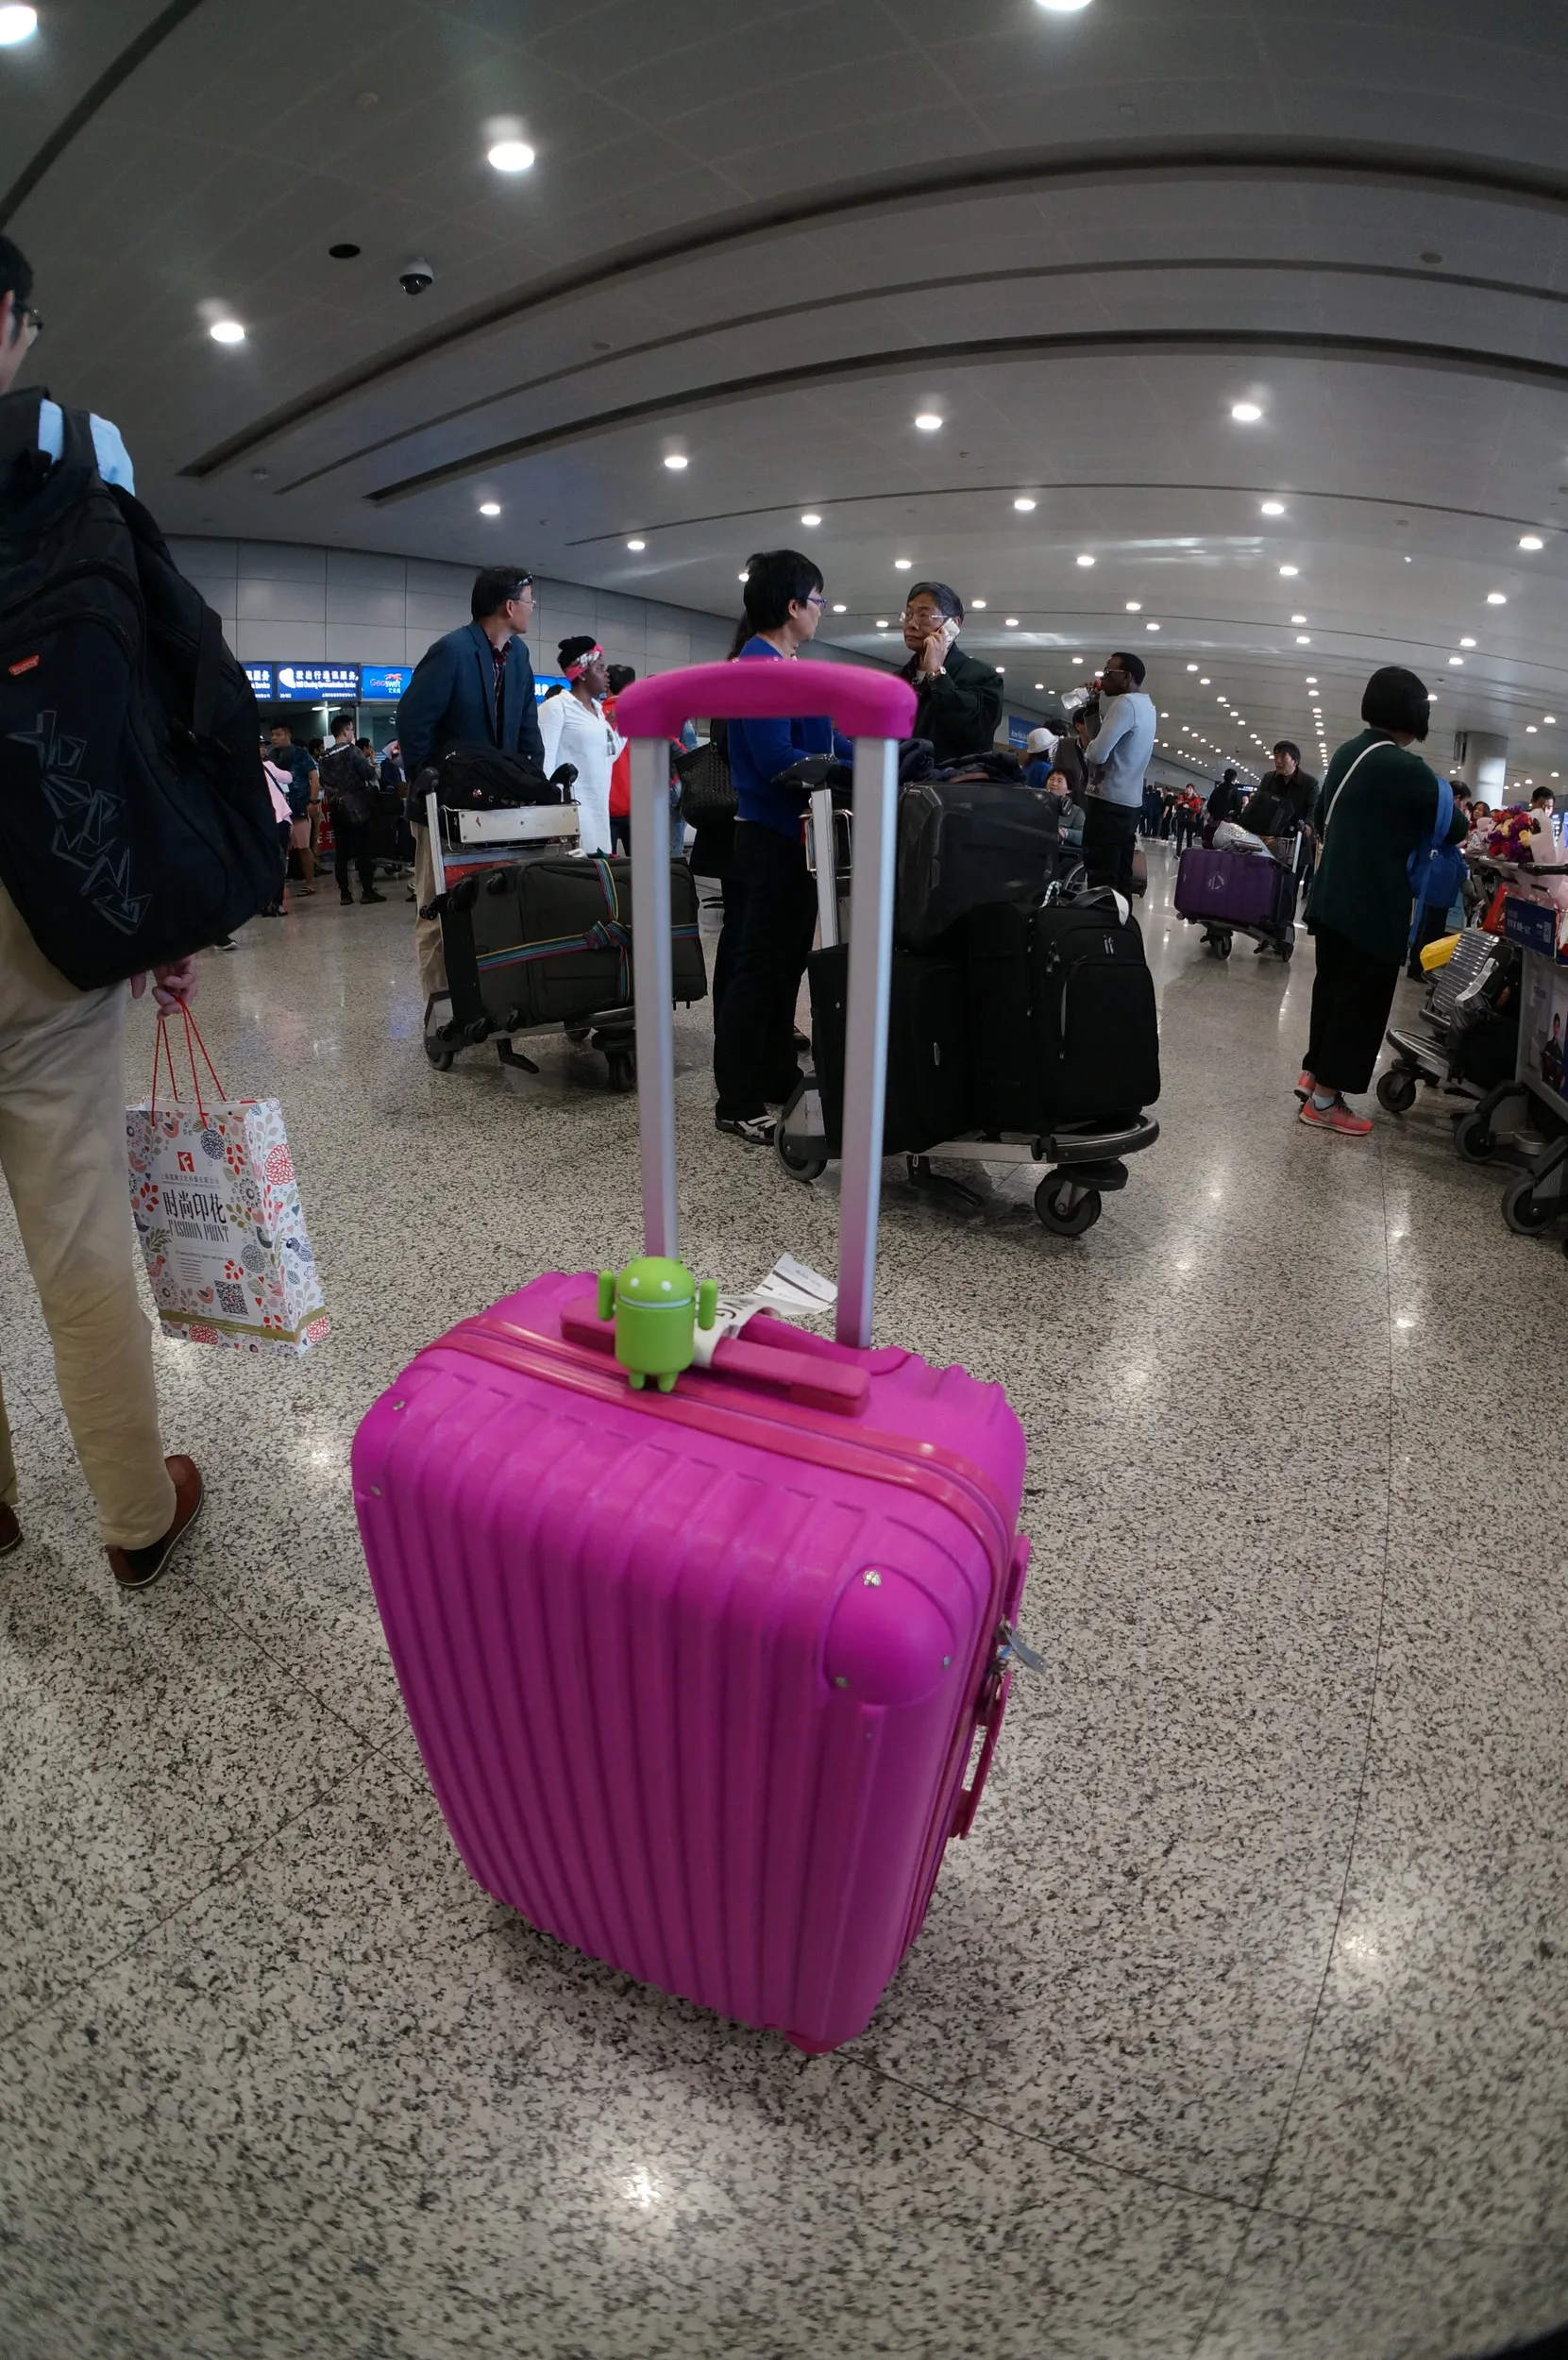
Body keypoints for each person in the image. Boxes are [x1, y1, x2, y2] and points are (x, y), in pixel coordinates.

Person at [0, 233, 204, 1587]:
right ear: (12, 321)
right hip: (43, 900)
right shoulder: (80, 451)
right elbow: (135, 697)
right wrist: (160, 916)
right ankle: (134, 1516)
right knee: (76, 1232)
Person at [712, 549, 851, 1145]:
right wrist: (845, 768)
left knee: (784, 965)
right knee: (759, 969)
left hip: (797, 837)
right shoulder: (759, 668)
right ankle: (737, 1099)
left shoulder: (785, 665)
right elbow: (775, 758)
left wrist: (876, 752)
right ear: (793, 606)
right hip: (771, 836)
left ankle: (774, 1072)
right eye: (817, 600)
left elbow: (824, 740)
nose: (822, 610)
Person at [1299, 666, 1467, 1137]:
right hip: (1372, 906)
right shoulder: (1404, 767)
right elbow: (1455, 827)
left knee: (1331, 991)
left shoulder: (1347, 753)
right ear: (1413, 714)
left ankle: (1312, 1074)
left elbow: (1321, 813)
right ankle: (1325, 1102)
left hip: (1331, 896)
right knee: (1361, 1002)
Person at [396, 566, 545, 1001]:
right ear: (509, 606)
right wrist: (428, 780)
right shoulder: (452, 651)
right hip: (442, 806)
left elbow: (527, 729)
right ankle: (442, 1004)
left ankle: (492, 995)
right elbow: (412, 720)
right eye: (530, 601)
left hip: (496, 809)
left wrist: (529, 780)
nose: (532, 609)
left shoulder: (519, 657)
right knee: (438, 905)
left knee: (494, 902)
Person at [897, 582, 1003, 764]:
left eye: (923, 615)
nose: (912, 624)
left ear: (952, 624)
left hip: (951, 780)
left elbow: (975, 731)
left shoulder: (984, 677)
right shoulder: (897, 681)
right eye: (908, 615)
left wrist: (937, 673)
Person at [1080, 651, 1156, 896]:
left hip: (1107, 803)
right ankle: (1120, 918)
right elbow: (1105, 742)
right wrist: (1093, 708)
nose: (1102, 677)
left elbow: (1097, 754)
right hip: (1129, 805)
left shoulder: (1125, 703)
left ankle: (1102, 919)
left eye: (1108, 672)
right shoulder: (1146, 706)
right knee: (1121, 876)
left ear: (1126, 677)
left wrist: (1086, 748)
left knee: (1101, 876)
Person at [539, 638, 624, 856]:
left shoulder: (598, 711)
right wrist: (550, 816)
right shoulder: (557, 707)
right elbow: (544, 765)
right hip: (571, 817)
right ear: (583, 673)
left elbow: (609, 756)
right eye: (600, 668)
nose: (607, 675)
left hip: (599, 813)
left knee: (599, 870)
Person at [319, 710, 382, 906]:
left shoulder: (324, 756)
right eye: (352, 730)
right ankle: (367, 891)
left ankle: (345, 894)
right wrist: (373, 764)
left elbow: (323, 782)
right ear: (345, 731)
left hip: (337, 808)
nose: (353, 734)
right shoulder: (352, 751)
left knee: (342, 852)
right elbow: (368, 774)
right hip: (357, 807)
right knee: (363, 850)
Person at [267, 723, 318, 896]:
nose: (274, 738)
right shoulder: (270, 756)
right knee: (278, 850)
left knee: (303, 846)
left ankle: (310, 883)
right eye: (272, 735)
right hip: (278, 810)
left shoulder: (301, 754)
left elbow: (314, 778)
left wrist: (313, 801)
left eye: (278, 734)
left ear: (288, 735)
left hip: (298, 806)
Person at [604, 664, 636, 854]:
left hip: (605, 806)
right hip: (638, 805)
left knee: (604, 866)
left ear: (606, 686)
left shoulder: (595, 716)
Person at [260, 743, 295, 916]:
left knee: (263, 862)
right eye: (261, 747)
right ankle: (277, 903)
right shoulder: (268, 766)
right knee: (279, 861)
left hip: (258, 821)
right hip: (278, 818)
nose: (264, 749)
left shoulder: (238, 771)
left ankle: (264, 903)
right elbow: (288, 778)